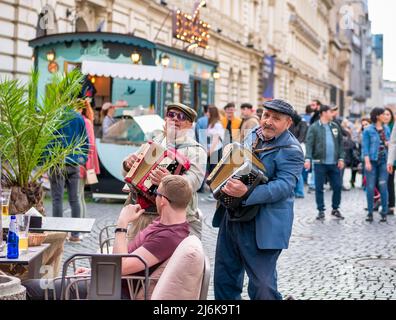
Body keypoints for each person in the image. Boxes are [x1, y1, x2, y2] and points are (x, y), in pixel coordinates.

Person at [22, 175, 192, 300]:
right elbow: (127, 262)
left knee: (26, 289)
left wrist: (122, 223)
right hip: (108, 282)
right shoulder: (166, 225)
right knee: (31, 286)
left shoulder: (169, 237)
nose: (153, 196)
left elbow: (124, 265)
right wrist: (94, 271)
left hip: (112, 290)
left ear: (162, 201)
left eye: (156, 193)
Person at [212, 99, 304, 300]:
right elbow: (237, 165)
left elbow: (284, 187)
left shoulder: (292, 150)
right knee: (224, 278)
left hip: (263, 223)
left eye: (276, 118)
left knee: (262, 287)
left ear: (288, 123)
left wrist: (246, 193)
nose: (268, 121)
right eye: (266, 116)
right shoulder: (251, 135)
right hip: (232, 216)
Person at [122, 102, 206, 240]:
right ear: (165, 119)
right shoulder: (154, 142)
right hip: (142, 215)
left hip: (174, 219)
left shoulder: (196, 150)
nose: (175, 119)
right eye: (171, 115)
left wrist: (170, 181)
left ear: (190, 125)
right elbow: (129, 173)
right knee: (134, 257)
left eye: (181, 116)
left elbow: (194, 182)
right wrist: (127, 164)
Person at [48, 109, 89, 242]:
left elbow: (49, 141)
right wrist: (82, 158)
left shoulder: (56, 115)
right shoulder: (78, 117)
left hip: (57, 163)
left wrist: (45, 161)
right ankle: (75, 235)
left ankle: (58, 235)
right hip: (74, 163)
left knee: (57, 199)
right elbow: (85, 140)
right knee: (74, 199)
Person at [304, 105, 345, 220]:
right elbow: (309, 144)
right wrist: (308, 158)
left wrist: (341, 158)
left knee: (337, 186)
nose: (332, 114)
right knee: (319, 187)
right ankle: (321, 210)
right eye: (330, 112)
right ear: (323, 113)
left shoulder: (335, 126)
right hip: (319, 163)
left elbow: (341, 143)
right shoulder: (314, 127)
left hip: (334, 163)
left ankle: (335, 208)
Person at [363, 107, 390, 222]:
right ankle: (370, 212)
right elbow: (365, 147)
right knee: (370, 187)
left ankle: (384, 212)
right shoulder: (368, 130)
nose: (385, 116)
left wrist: (388, 144)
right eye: (383, 114)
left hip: (384, 161)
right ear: (378, 116)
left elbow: (391, 145)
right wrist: (367, 162)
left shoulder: (386, 129)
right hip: (372, 162)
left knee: (383, 186)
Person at [78, 100, 100, 218]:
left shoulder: (84, 121)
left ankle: (80, 224)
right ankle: (80, 224)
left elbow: (90, 145)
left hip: (83, 163)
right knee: (79, 196)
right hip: (83, 162)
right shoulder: (85, 121)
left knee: (78, 196)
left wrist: (87, 166)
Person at [384, 107, 395, 215]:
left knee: (389, 182)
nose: (386, 116)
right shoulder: (381, 127)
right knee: (388, 182)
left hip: (391, 158)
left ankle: (391, 205)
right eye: (384, 114)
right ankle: (389, 204)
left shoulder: (392, 126)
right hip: (387, 158)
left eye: (388, 114)